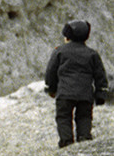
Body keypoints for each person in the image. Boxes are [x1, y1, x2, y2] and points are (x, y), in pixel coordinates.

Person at [44, 20, 109, 148]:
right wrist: (100, 94)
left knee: (63, 117)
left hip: (65, 94)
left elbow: (51, 72)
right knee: (84, 117)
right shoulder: (92, 54)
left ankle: (66, 142)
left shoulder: (59, 51)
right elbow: (100, 75)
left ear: (67, 37)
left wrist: (51, 89)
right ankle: (84, 140)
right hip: (85, 95)